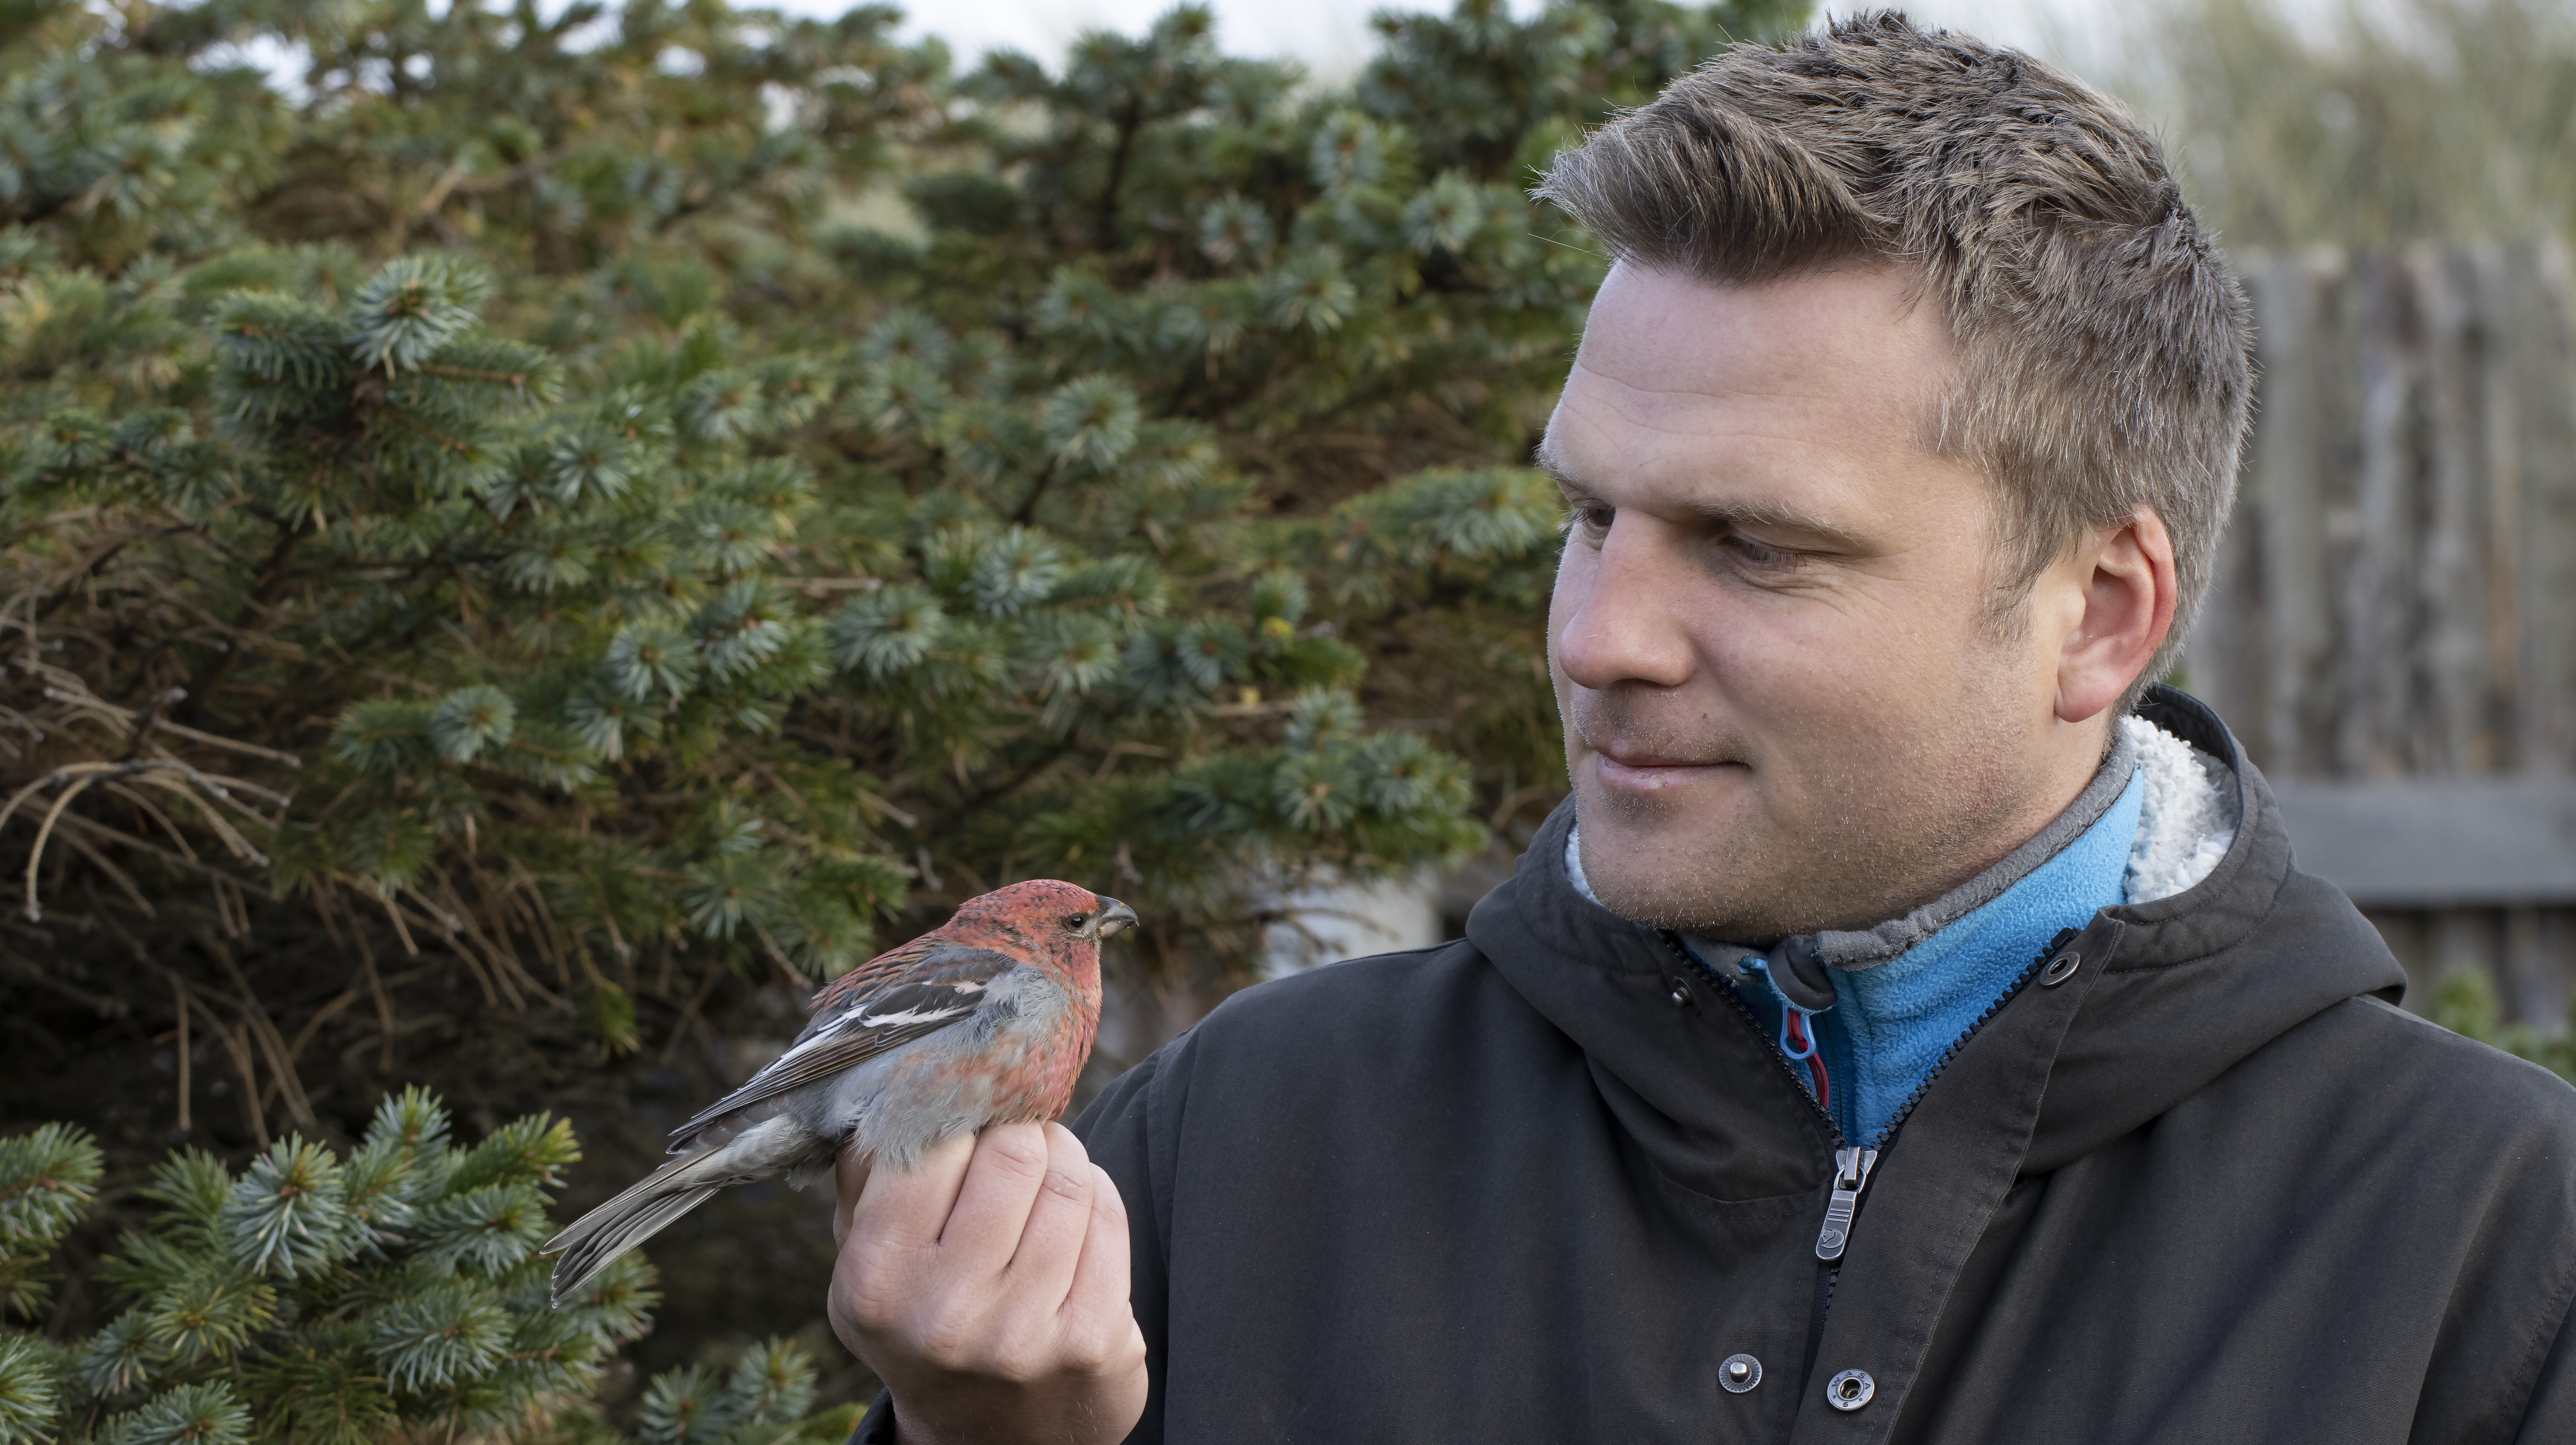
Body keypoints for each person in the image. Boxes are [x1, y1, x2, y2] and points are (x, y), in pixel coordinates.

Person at [826, 14, 2576, 1443]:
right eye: (1590, 517)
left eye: (1755, 545)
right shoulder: (1233, 1140)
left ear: (2099, 614)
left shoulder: (2488, 1248)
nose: (1597, 637)